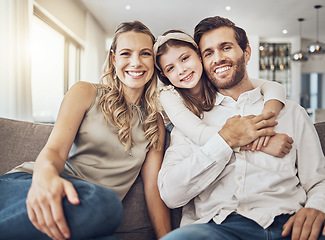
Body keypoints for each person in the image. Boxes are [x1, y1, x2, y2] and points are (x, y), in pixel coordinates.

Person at [158, 16, 325, 240]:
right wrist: (224, 141)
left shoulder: (291, 112)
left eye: (226, 47)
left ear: (246, 52)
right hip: (216, 227)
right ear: (203, 61)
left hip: (287, 224)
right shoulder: (190, 122)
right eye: (208, 53)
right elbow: (171, 194)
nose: (218, 58)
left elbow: (318, 181)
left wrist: (317, 207)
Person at [0, 21, 171, 240]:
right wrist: (44, 180)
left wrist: (167, 237)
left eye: (145, 53)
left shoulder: (154, 122)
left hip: (88, 212)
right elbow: (55, 150)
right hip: (32, 184)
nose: (136, 62)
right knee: (105, 204)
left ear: (153, 62)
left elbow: (153, 189)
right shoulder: (85, 92)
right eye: (126, 53)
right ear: (113, 59)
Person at [154, 29, 291, 155]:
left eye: (185, 58)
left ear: (199, 55)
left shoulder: (215, 78)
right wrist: (262, 144)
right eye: (170, 68)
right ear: (164, 75)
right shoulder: (168, 95)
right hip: (188, 138)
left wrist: (267, 121)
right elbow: (199, 134)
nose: (181, 70)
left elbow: (273, 87)